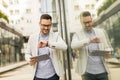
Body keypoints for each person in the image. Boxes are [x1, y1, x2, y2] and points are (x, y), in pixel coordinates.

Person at [71, 11, 113, 80]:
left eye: (89, 22)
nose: (87, 24)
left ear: (91, 20)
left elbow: (108, 48)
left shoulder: (101, 32)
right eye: (85, 23)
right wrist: (89, 40)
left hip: (102, 72)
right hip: (87, 73)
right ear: (81, 22)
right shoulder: (77, 34)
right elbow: (73, 45)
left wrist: (107, 53)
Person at [25, 14, 67, 80]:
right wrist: (29, 60)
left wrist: (48, 44)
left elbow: (64, 47)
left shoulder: (56, 36)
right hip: (37, 76)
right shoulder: (32, 37)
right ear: (39, 23)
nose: (46, 28)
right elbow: (27, 53)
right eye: (44, 25)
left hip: (53, 75)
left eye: (48, 25)